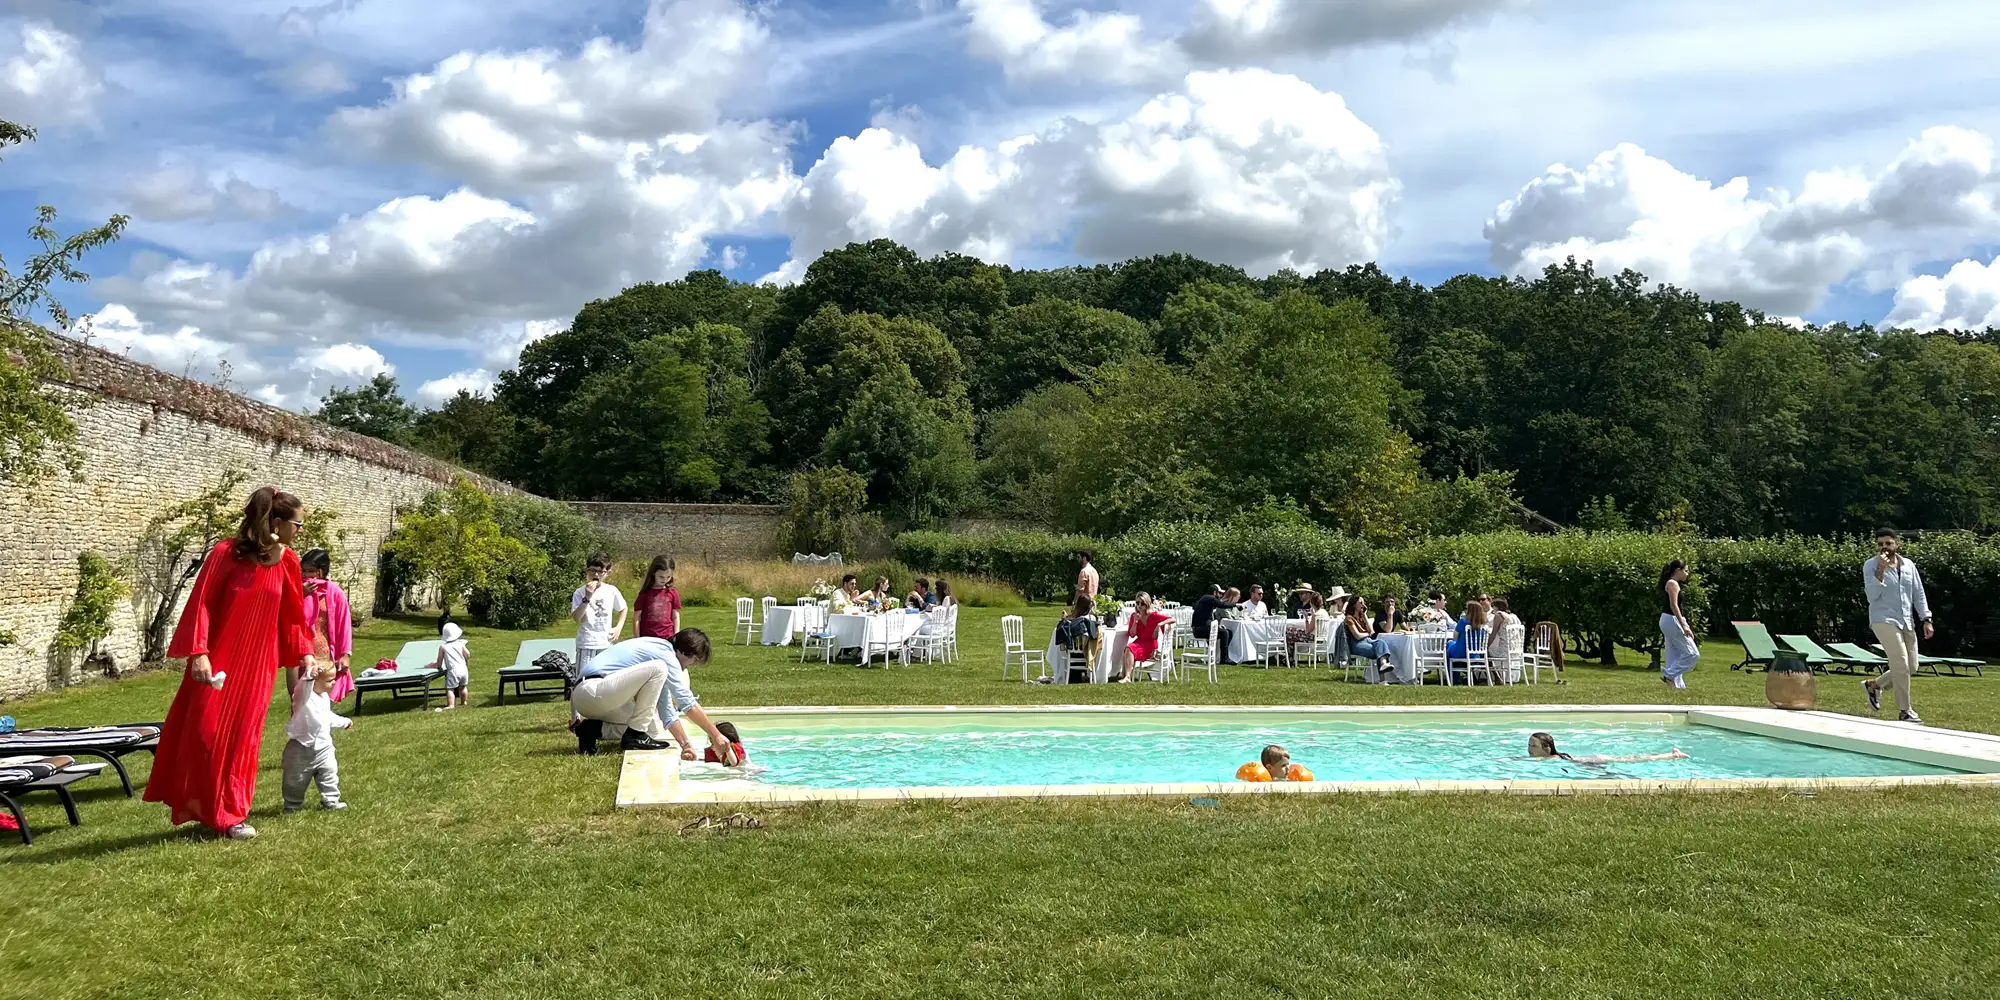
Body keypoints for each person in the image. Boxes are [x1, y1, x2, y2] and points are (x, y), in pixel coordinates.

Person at [146, 486, 315, 840]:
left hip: (259, 664)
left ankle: (232, 814)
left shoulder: (288, 562)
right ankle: (207, 808)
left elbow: (292, 617)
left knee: (243, 738)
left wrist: (306, 652)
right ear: (277, 521)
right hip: (219, 660)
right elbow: (202, 603)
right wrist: (199, 653)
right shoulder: (226, 553)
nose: (301, 531)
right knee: (204, 734)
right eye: (298, 524)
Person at [571, 630, 740, 763]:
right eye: (694, 661)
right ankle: (635, 735)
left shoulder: (661, 653)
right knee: (658, 668)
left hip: (596, 698)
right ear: (684, 653)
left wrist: (686, 745)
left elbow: (667, 712)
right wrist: (716, 735)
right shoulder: (666, 657)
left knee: (653, 728)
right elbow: (686, 702)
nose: (692, 666)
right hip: (591, 690)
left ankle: (591, 730)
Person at [1863, 528, 1932, 724]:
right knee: (1900, 663)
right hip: (1883, 619)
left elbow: (1918, 593)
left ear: (1897, 544)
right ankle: (1905, 710)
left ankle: (1874, 685)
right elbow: (1871, 596)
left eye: (1888, 543)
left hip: (1906, 620)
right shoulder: (1871, 565)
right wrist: (1881, 571)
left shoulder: (1908, 565)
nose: (1884, 548)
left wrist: (1926, 618)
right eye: (1880, 544)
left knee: (1911, 666)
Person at [282, 660, 352, 813]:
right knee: (295, 779)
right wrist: (308, 675)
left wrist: (344, 722)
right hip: (301, 749)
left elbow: (327, 716)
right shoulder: (303, 698)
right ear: (315, 681)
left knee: (329, 773)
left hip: (324, 747)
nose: (333, 683)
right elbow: (302, 688)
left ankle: (331, 800)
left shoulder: (324, 697)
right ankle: (292, 805)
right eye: (329, 680)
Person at [292, 548, 352, 711]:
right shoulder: (297, 589)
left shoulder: (334, 592)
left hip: (325, 656)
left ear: (320, 571)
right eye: (302, 571)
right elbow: (288, 616)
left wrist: (345, 654)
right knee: (299, 704)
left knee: (321, 705)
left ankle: (322, 734)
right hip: (301, 655)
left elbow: (344, 623)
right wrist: (300, 594)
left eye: (310, 571)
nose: (305, 575)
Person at [571, 553, 627, 672]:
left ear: (607, 573)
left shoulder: (611, 590)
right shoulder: (579, 592)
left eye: (600, 571)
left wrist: (619, 627)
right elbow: (577, 618)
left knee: (605, 679)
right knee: (584, 679)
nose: (596, 575)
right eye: (592, 570)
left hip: (606, 643)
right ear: (587, 571)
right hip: (587, 643)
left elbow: (623, 608)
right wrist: (587, 597)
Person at [1657, 561, 1698, 689]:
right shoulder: (1672, 583)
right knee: (1692, 654)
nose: (1687, 573)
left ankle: (1677, 685)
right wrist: (1684, 625)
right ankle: (1669, 675)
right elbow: (1674, 606)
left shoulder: (1672, 583)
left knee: (1674, 654)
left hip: (1668, 620)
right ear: (1678, 570)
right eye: (1685, 570)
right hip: (1671, 619)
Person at [1528, 732, 1687, 765]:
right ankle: (1670, 755)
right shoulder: (1552, 757)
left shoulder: (1550, 759)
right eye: (1529, 745)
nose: (1529, 749)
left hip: (1595, 761)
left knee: (1632, 760)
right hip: (1591, 760)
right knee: (1632, 759)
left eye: (1533, 746)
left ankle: (1671, 756)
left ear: (1547, 749)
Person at [1117, 592, 1171, 682]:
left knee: (1130, 648)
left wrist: (1160, 624)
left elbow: (1172, 619)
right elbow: (1132, 634)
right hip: (1140, 642)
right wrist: (1135, 622)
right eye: (1137, 603)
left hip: (1151, 643)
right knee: (1129, 648)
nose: (1139, 606)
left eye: (1142, 603)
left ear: (1147, 603)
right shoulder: (1134, 616)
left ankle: (1127, 676)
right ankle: (1127, 676)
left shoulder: (1154, 615)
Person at [1051, 592, 1102, 683]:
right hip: (1088, 651)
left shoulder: (1074, 620)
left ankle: (1067, 674)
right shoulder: (1091, 619)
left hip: (1073, 652)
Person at [634, 555, 681, 640]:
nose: (664, 580)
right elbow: (637, 618)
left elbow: (675, 616)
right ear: (653, 573)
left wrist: (676, 635)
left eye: (668, 577)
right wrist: (637, 638)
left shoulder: (672, 593)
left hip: (667, 637)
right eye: (661, 577)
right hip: (647, 638)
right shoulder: (645, 594)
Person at [430, 621, 470, 710]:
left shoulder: (443, 647)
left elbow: (439, 662)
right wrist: (466, 661)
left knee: (450, 689)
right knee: (463, 686)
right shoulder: (461, 644)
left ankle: (451, 705)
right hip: (463, 669)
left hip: (453, 670)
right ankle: (464, 702)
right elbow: (467, 654)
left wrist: (435, 665)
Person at [1343, 596, 1386, 670]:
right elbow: (1357, 636)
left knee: (1381, 643)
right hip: (1356, 644)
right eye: (1360, 603)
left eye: (1364, 603)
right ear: (1354, 605)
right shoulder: (1349, 618)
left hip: (1367, 641)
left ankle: (1384, 664)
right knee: (1379, 650)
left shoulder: (1362, 617)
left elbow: (1372, 631)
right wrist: (1368, 634)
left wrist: (1365, 615)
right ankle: (1382, 678)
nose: (1363, 605)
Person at [1447, 599, 1489, 669]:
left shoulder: (1463, 621)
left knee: (1449, 645)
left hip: (1461, 652)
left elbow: (1455, 637)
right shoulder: (1483, 625)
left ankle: (1453, 677)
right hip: (1475, 654)